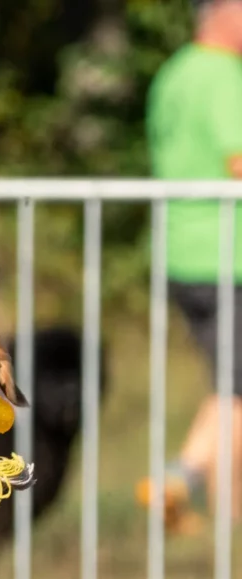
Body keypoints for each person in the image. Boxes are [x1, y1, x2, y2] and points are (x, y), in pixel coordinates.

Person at [138, 0, 242, 530]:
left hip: (185, 250)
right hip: (229, 252)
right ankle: (180, 481)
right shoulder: (223, 74)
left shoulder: (173, 72)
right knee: (237, 386)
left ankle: (206, 499)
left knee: (231, 382)